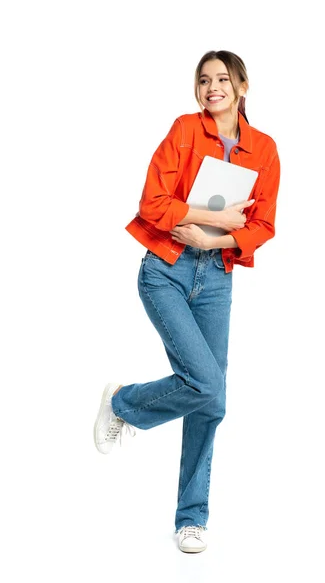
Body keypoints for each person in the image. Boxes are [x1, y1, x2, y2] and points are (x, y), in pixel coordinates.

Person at [93, 50, 281, 553]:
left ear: (242, 85)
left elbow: (262, 225)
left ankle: (190, 518)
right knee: (205, 382)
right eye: (204, 80)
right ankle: (123, 403)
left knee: (211, 398)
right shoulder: (183, 129)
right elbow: (152, 203)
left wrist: (212, 240)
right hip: (165, 272)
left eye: (222, 79)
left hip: (216, 276)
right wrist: (206, 216)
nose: (212, 87)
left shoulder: (263, 149)